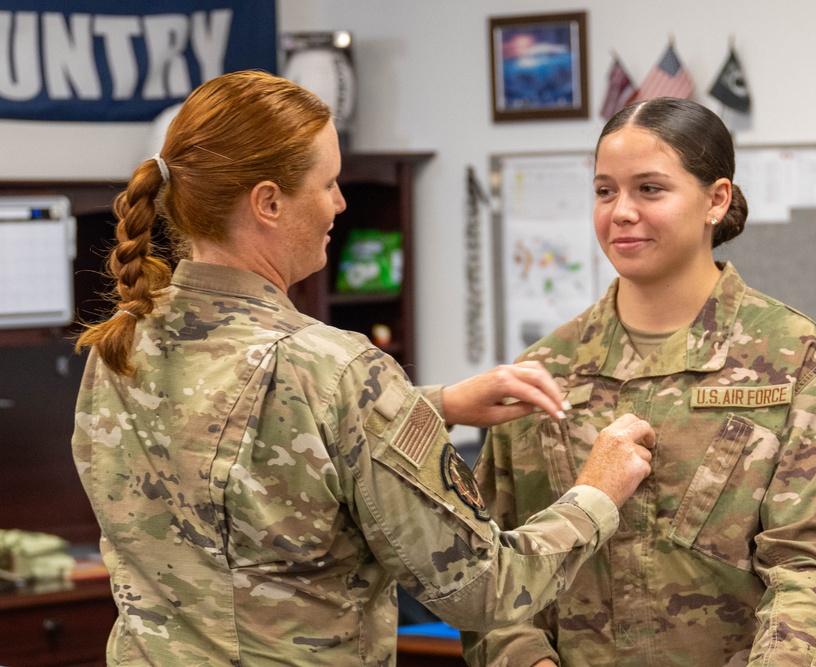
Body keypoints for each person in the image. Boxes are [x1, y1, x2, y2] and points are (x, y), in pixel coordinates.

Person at [71, 70, 657, 666]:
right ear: (269, 202)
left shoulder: (121, 344)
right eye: (328, 183)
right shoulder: (335, 369)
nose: (340, 203)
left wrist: (435, 405)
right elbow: (481, 589)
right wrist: (596, 492)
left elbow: (239, 437)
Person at [461, 97, 816, 667]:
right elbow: (493, 576)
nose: (621, 212)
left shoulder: (791, 359)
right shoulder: (546, 371)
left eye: (649, 189)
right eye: (606, 191)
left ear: (716, 199)